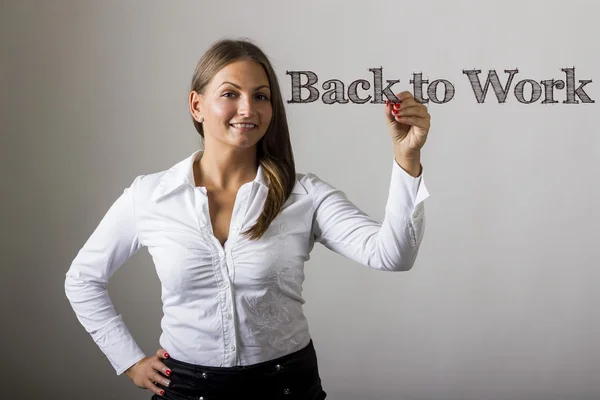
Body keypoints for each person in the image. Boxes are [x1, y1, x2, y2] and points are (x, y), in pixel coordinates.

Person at [64, 38, 431, 400]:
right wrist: (129, 361)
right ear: (197, 105)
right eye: (230, 94)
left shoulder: (304, 195)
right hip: (187, 390)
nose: (248, 109)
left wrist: (407, 158)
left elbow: (392, 255)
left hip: (286, 387)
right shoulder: (150, 195)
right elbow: (83, 279)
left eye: (261, 96)